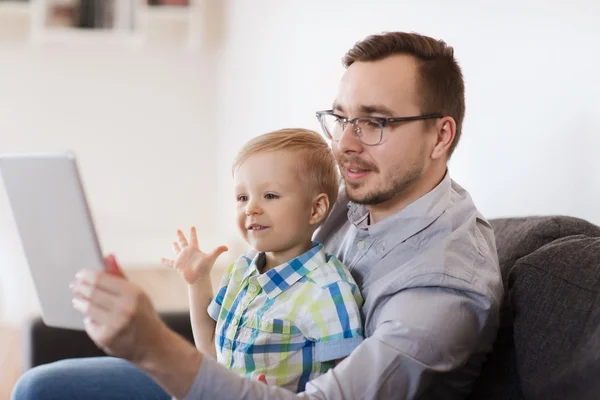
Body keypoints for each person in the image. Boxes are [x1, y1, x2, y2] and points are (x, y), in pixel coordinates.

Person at [12, 31, 503, 400]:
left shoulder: (444, 288)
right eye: (340, 118)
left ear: (441, 136)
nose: (345, 145)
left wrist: (155, 346)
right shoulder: (358, 192)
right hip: (255, 373)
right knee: (41, 385)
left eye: (373, 122)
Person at [161, 128, 363, 392]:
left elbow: (352, 386)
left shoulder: (327, 291)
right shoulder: (241, 270)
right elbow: (210, 354)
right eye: (243, 197)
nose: (251, 209)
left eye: (270, 196)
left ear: (316, 209)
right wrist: (197, 282)